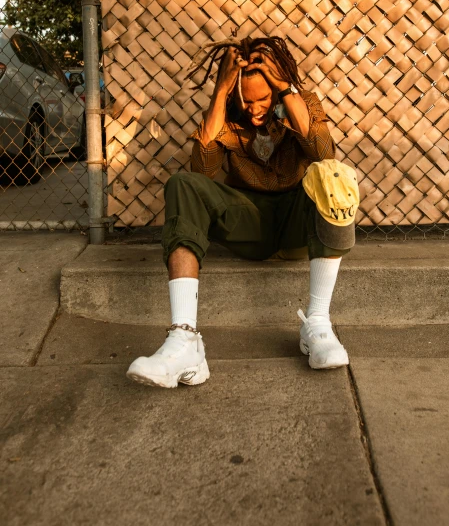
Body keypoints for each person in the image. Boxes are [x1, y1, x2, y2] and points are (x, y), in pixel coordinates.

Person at [127, 36, 358, 389]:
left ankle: (318, 325)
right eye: (245, 99)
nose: (254, 109)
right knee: (183, 184)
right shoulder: (227, 116)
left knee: (332, 174)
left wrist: (285, 89)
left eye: (263, 98)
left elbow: (324, 151)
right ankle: (185, 340)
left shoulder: (301, 102)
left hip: (297, 224)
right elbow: (202, 170)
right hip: (250, 222)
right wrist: (220, 92)